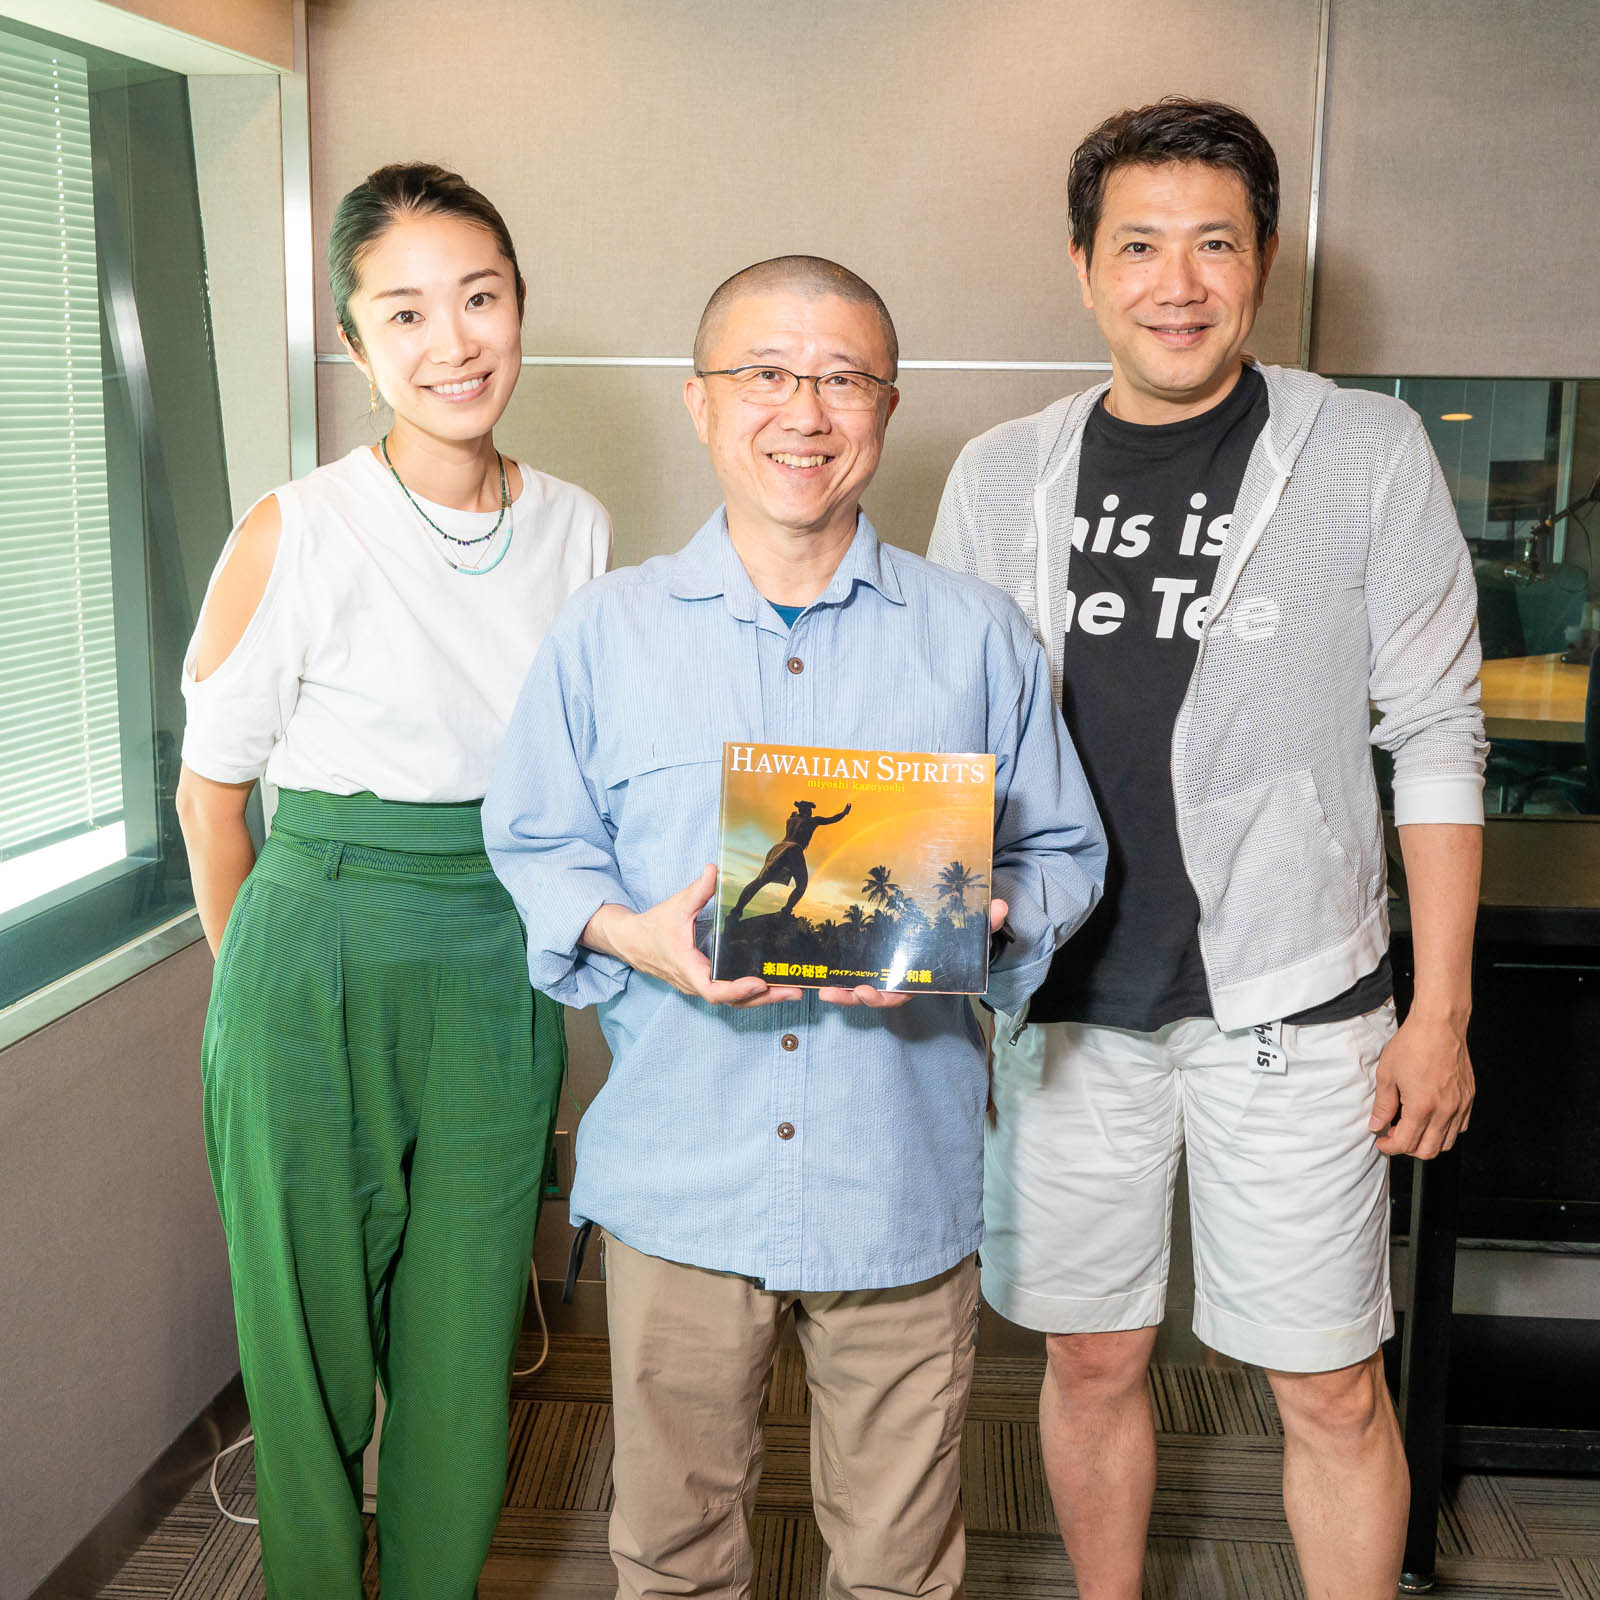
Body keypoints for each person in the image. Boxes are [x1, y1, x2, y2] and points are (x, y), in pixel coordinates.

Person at [484, 256, 1106, 1600]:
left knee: (899, 1563)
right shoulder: (606, 634)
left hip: (899, 1174)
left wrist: (984, 928)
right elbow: (535, 839)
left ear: (887, 406)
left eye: (842, 378)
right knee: (671, 1555)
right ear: (700, 401)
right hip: (679, 1173)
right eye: (765, 373)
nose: (804, 411)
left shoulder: (978, 637)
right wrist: (632, 934)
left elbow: (1063, 851)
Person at [928, 99, 1485, 1600]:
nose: (1177, 283)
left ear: (1264, 260)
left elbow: (1437, 731)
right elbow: (950, 743)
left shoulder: (1362, 452)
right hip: (1065, 1004)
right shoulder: (999, 473)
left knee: (1331, 1386)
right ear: (1082, 267)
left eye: (1214, 245)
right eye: (1139, 246)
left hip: (1296, 1003)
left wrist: (1439, 1013)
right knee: (1091, 1359)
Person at [175, 163, 610, 1600]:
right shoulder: (294, 526)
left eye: (479, 298)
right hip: (316, 942)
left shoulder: (578, 526)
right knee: (304, 1345)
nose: (453, 341)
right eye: (406, 312)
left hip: (494, 953)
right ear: (357, 344)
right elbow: (212, 797)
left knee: (466, 1338)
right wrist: (259, 1007)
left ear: (520, 308)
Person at [728, 797, 851, 919]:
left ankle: (736, 910)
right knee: (801, 886)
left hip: (778, 848)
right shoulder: (813, 821)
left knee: (760, 881)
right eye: (810, 810)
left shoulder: (790, 819)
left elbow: (795, 819)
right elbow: (831, 819)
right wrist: (844, 813)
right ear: (807, 811)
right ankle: (786, 911)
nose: (811, 812)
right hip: (793, 849)